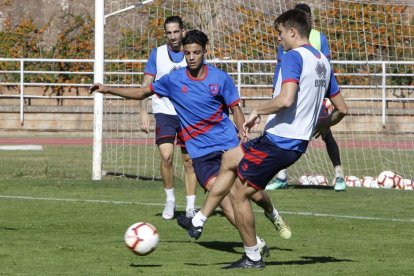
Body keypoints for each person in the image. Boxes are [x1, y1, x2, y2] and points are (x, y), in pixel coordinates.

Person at [90, 29, 292, 258]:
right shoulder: (174, 80)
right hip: (201, 153)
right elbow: (142, 92)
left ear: (205, 52)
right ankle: (255, 243)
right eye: (187, 53)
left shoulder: (219, 78)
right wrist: (107, 89)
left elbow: (235, 107)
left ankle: (273, 213)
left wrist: (241, 131)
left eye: (196, 52)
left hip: (228, 144)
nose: (192, 57)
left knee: (253, 193)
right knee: (225, 202)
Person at [177, 9, 348, 269]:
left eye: (280, 34)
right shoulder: (323, 60)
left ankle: (252, 256)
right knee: (230, 157)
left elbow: (286, 99)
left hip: (281, 141)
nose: (279, 40)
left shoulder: (293, 57)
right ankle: (199, 219)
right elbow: (342, 109)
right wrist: (322, 123)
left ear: (292, 32)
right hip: (290, 141)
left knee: (240, 196)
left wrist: (257, 110)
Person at [266, 3, 346, 192]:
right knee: (283, 128)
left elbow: (325, 66)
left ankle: (339, 174)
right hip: (292, 92)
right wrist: (275, 90)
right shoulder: (285, 39)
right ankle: (282, 176)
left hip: (313, 95)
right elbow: (280, 65)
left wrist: (325, 95)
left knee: (325, 133)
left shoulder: (319, 37)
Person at [139, 16, 197, 219]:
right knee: (166, 156)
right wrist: (143, 111)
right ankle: (170, 200)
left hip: (187, 113)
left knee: (189, 161)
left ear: (183, 31)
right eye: (169, 32)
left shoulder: (192, 53)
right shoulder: (158, 54)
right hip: (164, 112)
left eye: (176, 32)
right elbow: (146, 85)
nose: (173, 36)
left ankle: (190, 205)